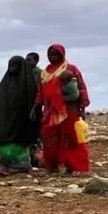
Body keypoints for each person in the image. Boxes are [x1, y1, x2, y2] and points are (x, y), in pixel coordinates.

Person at [32, 44, 90, 174]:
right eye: (50, 54)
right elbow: (40, 92)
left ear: (61, 55)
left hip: (69, 110)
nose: (52, 57)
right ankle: (52, 166)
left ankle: (71, 166)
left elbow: (81, 87)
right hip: (50, 111)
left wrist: (83, 107)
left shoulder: (71, 69)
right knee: (49, 137)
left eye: (55, 54)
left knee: (70, 137)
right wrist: (36, 105)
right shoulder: (45, 73)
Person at [0, 56, 39, 175]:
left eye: (14, 66)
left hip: (22, 119)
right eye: (10, 65)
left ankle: (19, 166)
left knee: (19, 141)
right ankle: (4, 164)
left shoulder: (28, 83)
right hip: (6, 118)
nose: (12, 68)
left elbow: (33, 101)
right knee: (4, 139)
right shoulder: (5, 82)